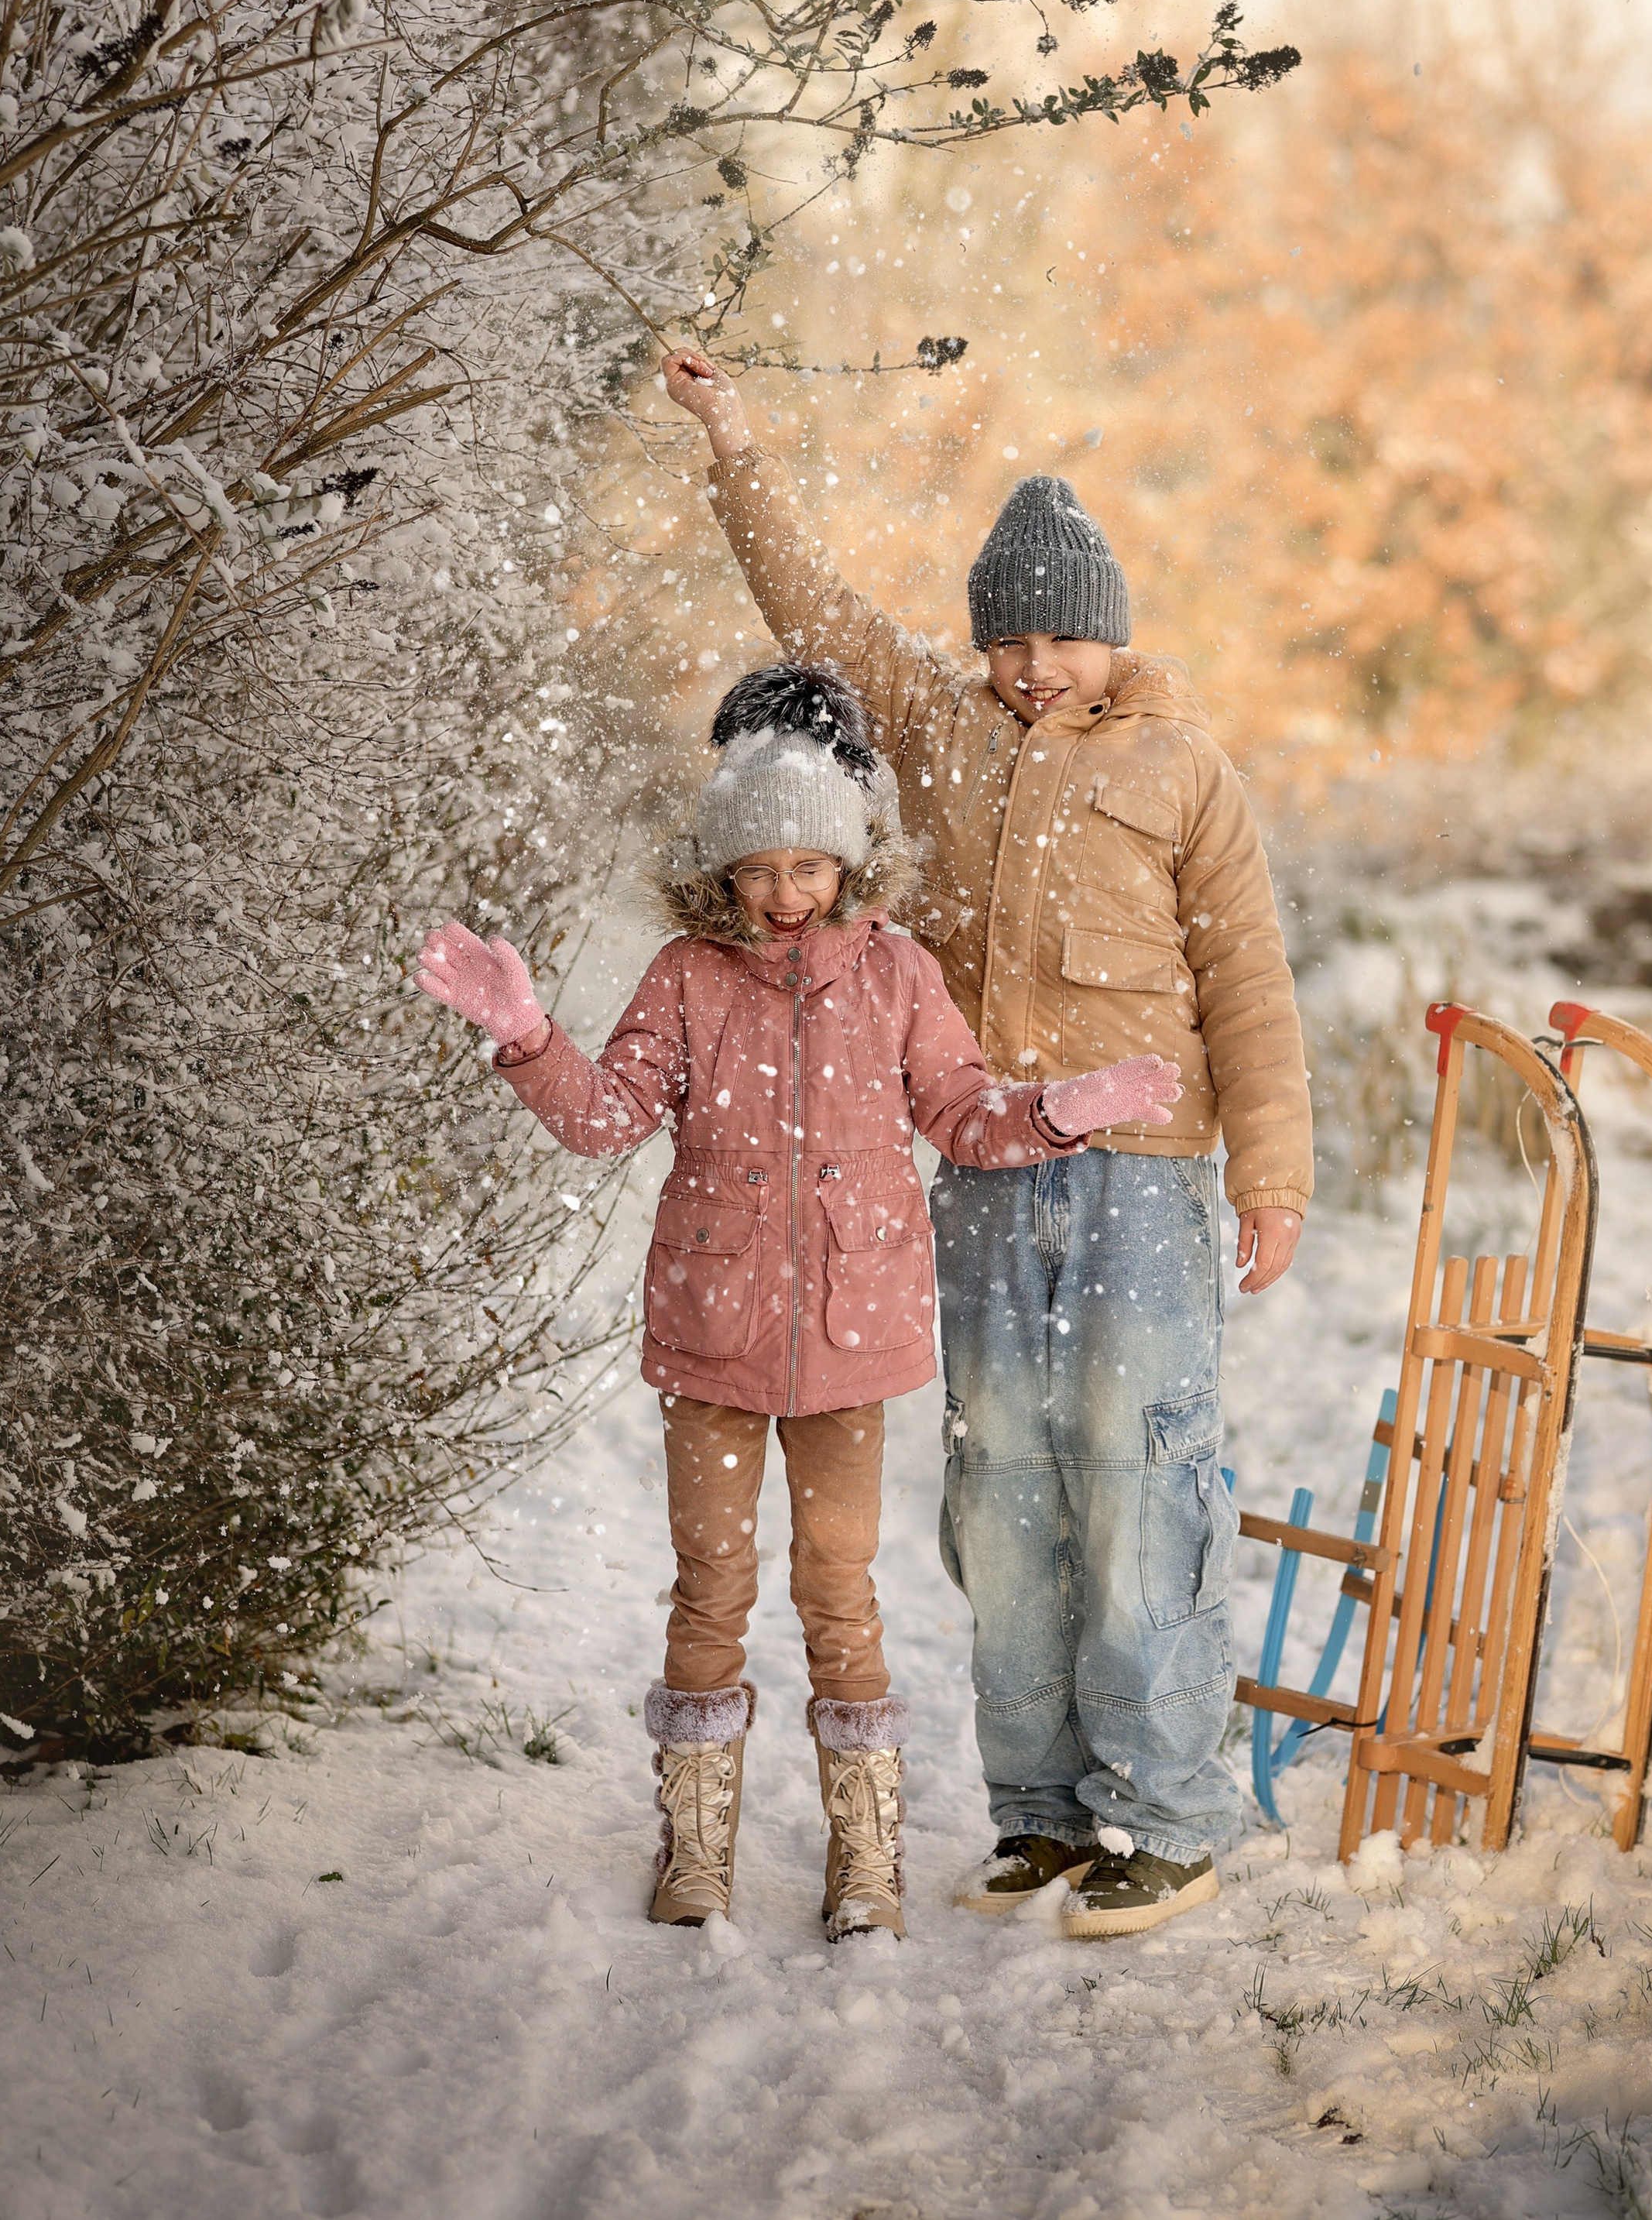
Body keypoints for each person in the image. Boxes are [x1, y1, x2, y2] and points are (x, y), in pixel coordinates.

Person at [662, 353, 1314, 1940]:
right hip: (983, 1174)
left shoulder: (1182, 769)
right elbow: (809, 604)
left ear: (1114, 632)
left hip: (1143, 1181)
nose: (1031, 667)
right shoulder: (940, 731)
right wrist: (734, 437)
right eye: (1007, 640)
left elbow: (1246, 979)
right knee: (1003, 1491)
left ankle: (1169, 1814)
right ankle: (1041, 1810)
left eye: (1059, 637)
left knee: (1141, 1481)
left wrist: (1271, 1172)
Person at [415, 663, 1178, 1941]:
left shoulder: (897, 976)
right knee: (711, 1582)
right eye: (760, 868)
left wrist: (1056, 1111)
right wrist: (530, 1040)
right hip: (713, 1335)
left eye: (811, 866)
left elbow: (962, 1114)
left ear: (850, 860)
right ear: (723, 868)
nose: (785, 891)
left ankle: (864, 1858)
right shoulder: (686, 975)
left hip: (849, 1339)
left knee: (840, 1587)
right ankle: (696, 1847)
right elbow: (605, 1119)